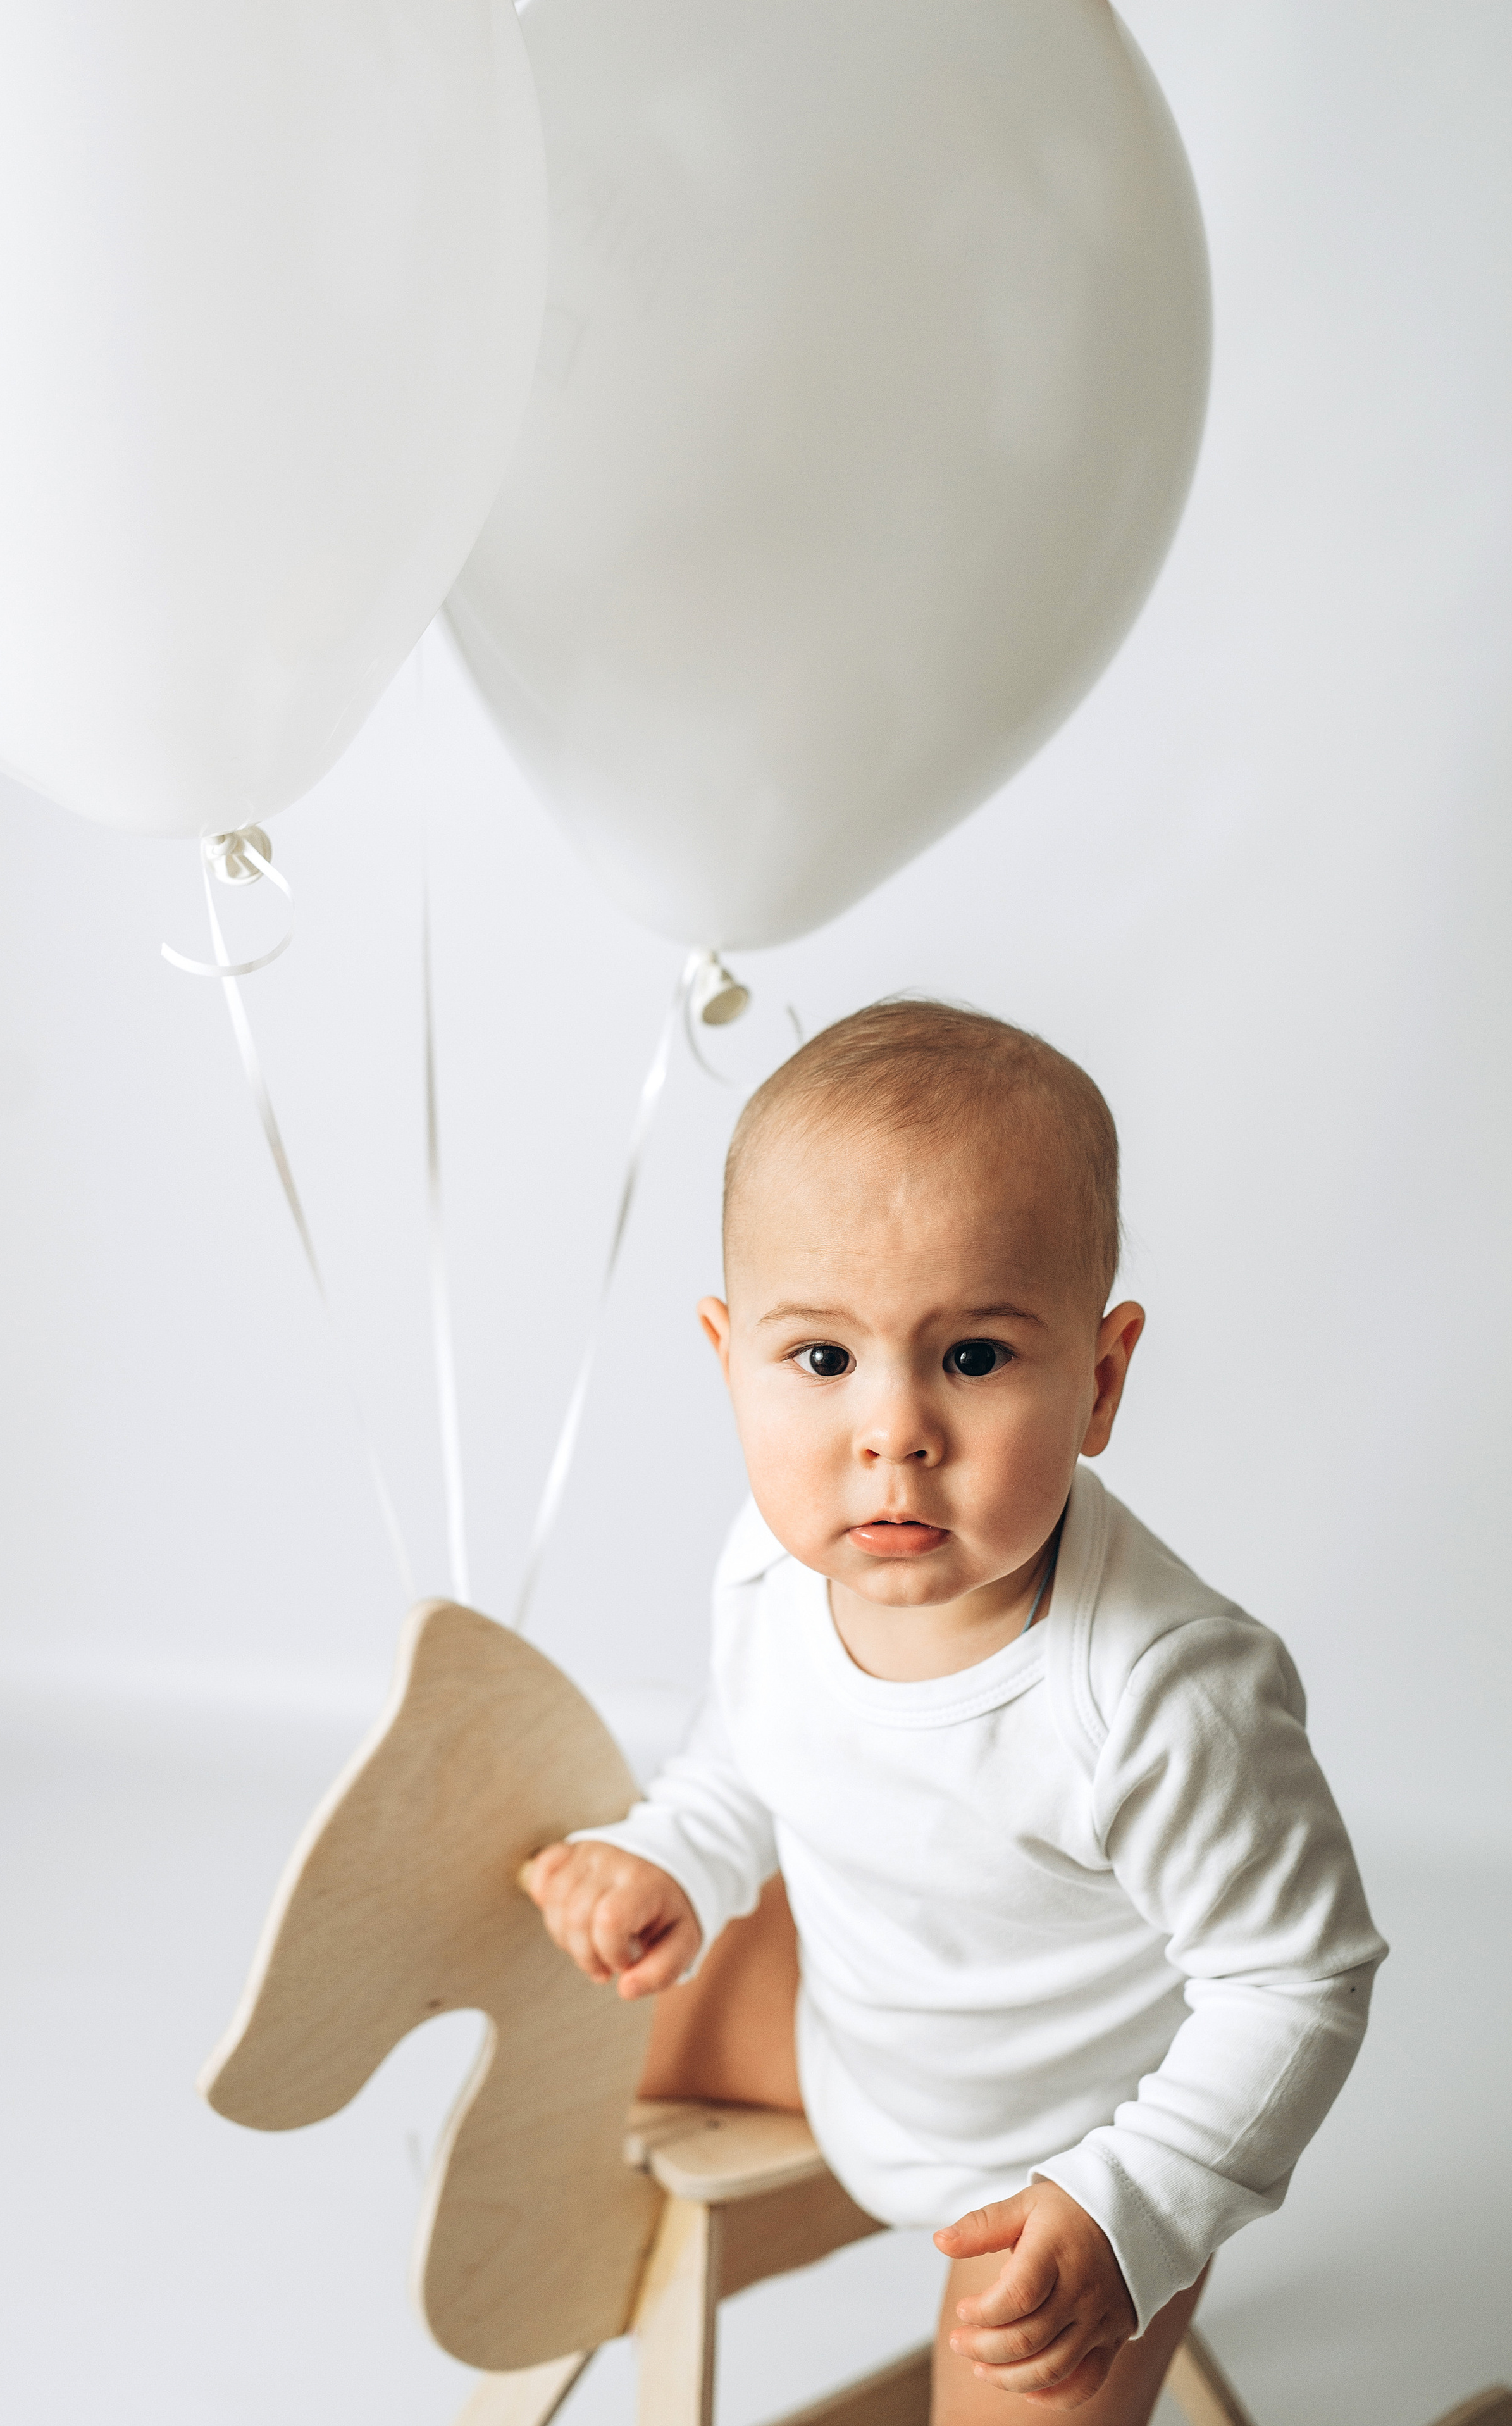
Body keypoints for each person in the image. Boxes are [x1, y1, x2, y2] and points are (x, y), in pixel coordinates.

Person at [524, 999, 1385, 2422]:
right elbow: (753, 1747)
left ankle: (1116, 2265)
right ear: (727, 1356)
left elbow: (1296, 1980)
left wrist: (1134, 2205)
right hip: (842, 2036)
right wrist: (678, 1851)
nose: (892, 1432)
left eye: (973, 1356)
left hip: (1054, 2154)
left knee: (1012, 2381)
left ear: (1098, 1380)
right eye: (820, 1360)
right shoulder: (769, 1557)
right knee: (567, 2034)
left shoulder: (1160, 1689)